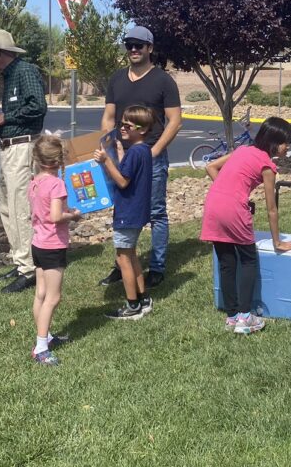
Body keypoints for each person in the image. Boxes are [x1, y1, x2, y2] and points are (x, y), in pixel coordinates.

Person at [98, 25, 182, 289]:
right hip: (121, 157)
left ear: (150, 48)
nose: (133, 50)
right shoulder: (117, 79)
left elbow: (175, 121)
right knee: (122, 210)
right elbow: (109, 117)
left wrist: (153, 151)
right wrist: (109, 148)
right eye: (129, 45)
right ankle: (121, 264)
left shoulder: (163, 81)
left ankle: (156, 267)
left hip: (152, 157)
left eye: (139, 45)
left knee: (156, 212)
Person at [200, 117, 291, 335]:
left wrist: (227, 191)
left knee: (226, 263)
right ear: (273, 143)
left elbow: (211, 167)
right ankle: (245, 317)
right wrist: (277, 242)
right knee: (248, 260)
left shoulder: (242, 150)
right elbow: (272, 209)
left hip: (214, 205)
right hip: (234, 210)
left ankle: (232, 316)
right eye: (286, 142)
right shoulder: (267, 166)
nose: (288, 147)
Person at [0, 29, 48, 294]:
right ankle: (20, 260)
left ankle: (29, 268)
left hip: (22, 146)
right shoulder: (10, 76)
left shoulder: (25, 71)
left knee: (21, 206)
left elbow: (38, 106)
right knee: (8, 205)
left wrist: (6, 117)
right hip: (9, 147)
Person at [93, 105, 156, 320]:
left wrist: (106, 161)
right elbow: (129, 173)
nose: (123, 128)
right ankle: (143, 298)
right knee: (131, 255)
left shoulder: (135, 152)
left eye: (128, 125)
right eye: (122, 123)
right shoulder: (143, 150)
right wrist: (120, 155)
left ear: (143, 129)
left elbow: (122, 181)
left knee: (123, 259)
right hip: (136, 211)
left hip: (127, 212)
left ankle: (132, 305)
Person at [28, 134, 82, 366]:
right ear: (59, 161)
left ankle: (46, 336)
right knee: (53, 297)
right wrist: (74, 215)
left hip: (38, 243)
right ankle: (41, 347)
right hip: (52, 245)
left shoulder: (35, 181)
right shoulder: (57, 184)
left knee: (40, 293)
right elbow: (56, 216)